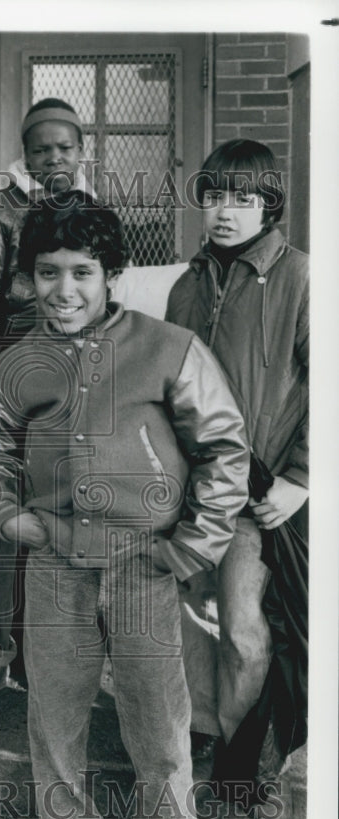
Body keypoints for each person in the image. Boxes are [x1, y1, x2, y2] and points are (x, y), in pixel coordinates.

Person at [0, 192, 249, 819]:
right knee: (54, 728)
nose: (64, 290)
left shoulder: (169, 348)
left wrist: (188, 551)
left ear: (111, 275)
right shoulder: (18, 365)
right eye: (49, 272)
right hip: (53, 564)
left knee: (159, 732)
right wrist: (9, 516)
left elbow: (225, 450)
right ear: (29, 277)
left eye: (82, 272)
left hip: (146, 567)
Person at [165, 139, 309, 767]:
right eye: (215, 197)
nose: (225, 211)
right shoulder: (185, 286)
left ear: (268, 204)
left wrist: (302, 477)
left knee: (246, 631)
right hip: (192, 491)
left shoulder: (301, 278)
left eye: (242, 199)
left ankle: (242, 749)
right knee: (190, 618)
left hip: (258, 494)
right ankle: (199, 727)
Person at [0, 98, 94, 717]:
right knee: (6, 523)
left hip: (71, 386)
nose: (53, 158)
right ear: (26, 154)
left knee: (63, 514)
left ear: (81, 150)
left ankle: (51, 658)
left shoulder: (89, 213)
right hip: (13, 383)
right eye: (41, 149)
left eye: (64, 147)